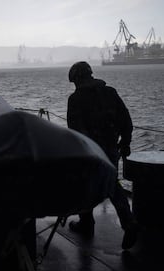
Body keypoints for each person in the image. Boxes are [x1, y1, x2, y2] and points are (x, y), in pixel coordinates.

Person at [66, 61, 139, 250]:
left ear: (77, 79)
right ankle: (127, 222)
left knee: (86, 184)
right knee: (112, 184)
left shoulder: (76, 99)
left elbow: (76, 131)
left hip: (90, 151)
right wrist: (125, 142)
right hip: (111, 149)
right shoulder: (110, 92)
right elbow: (126, 120)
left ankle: (88, 224)